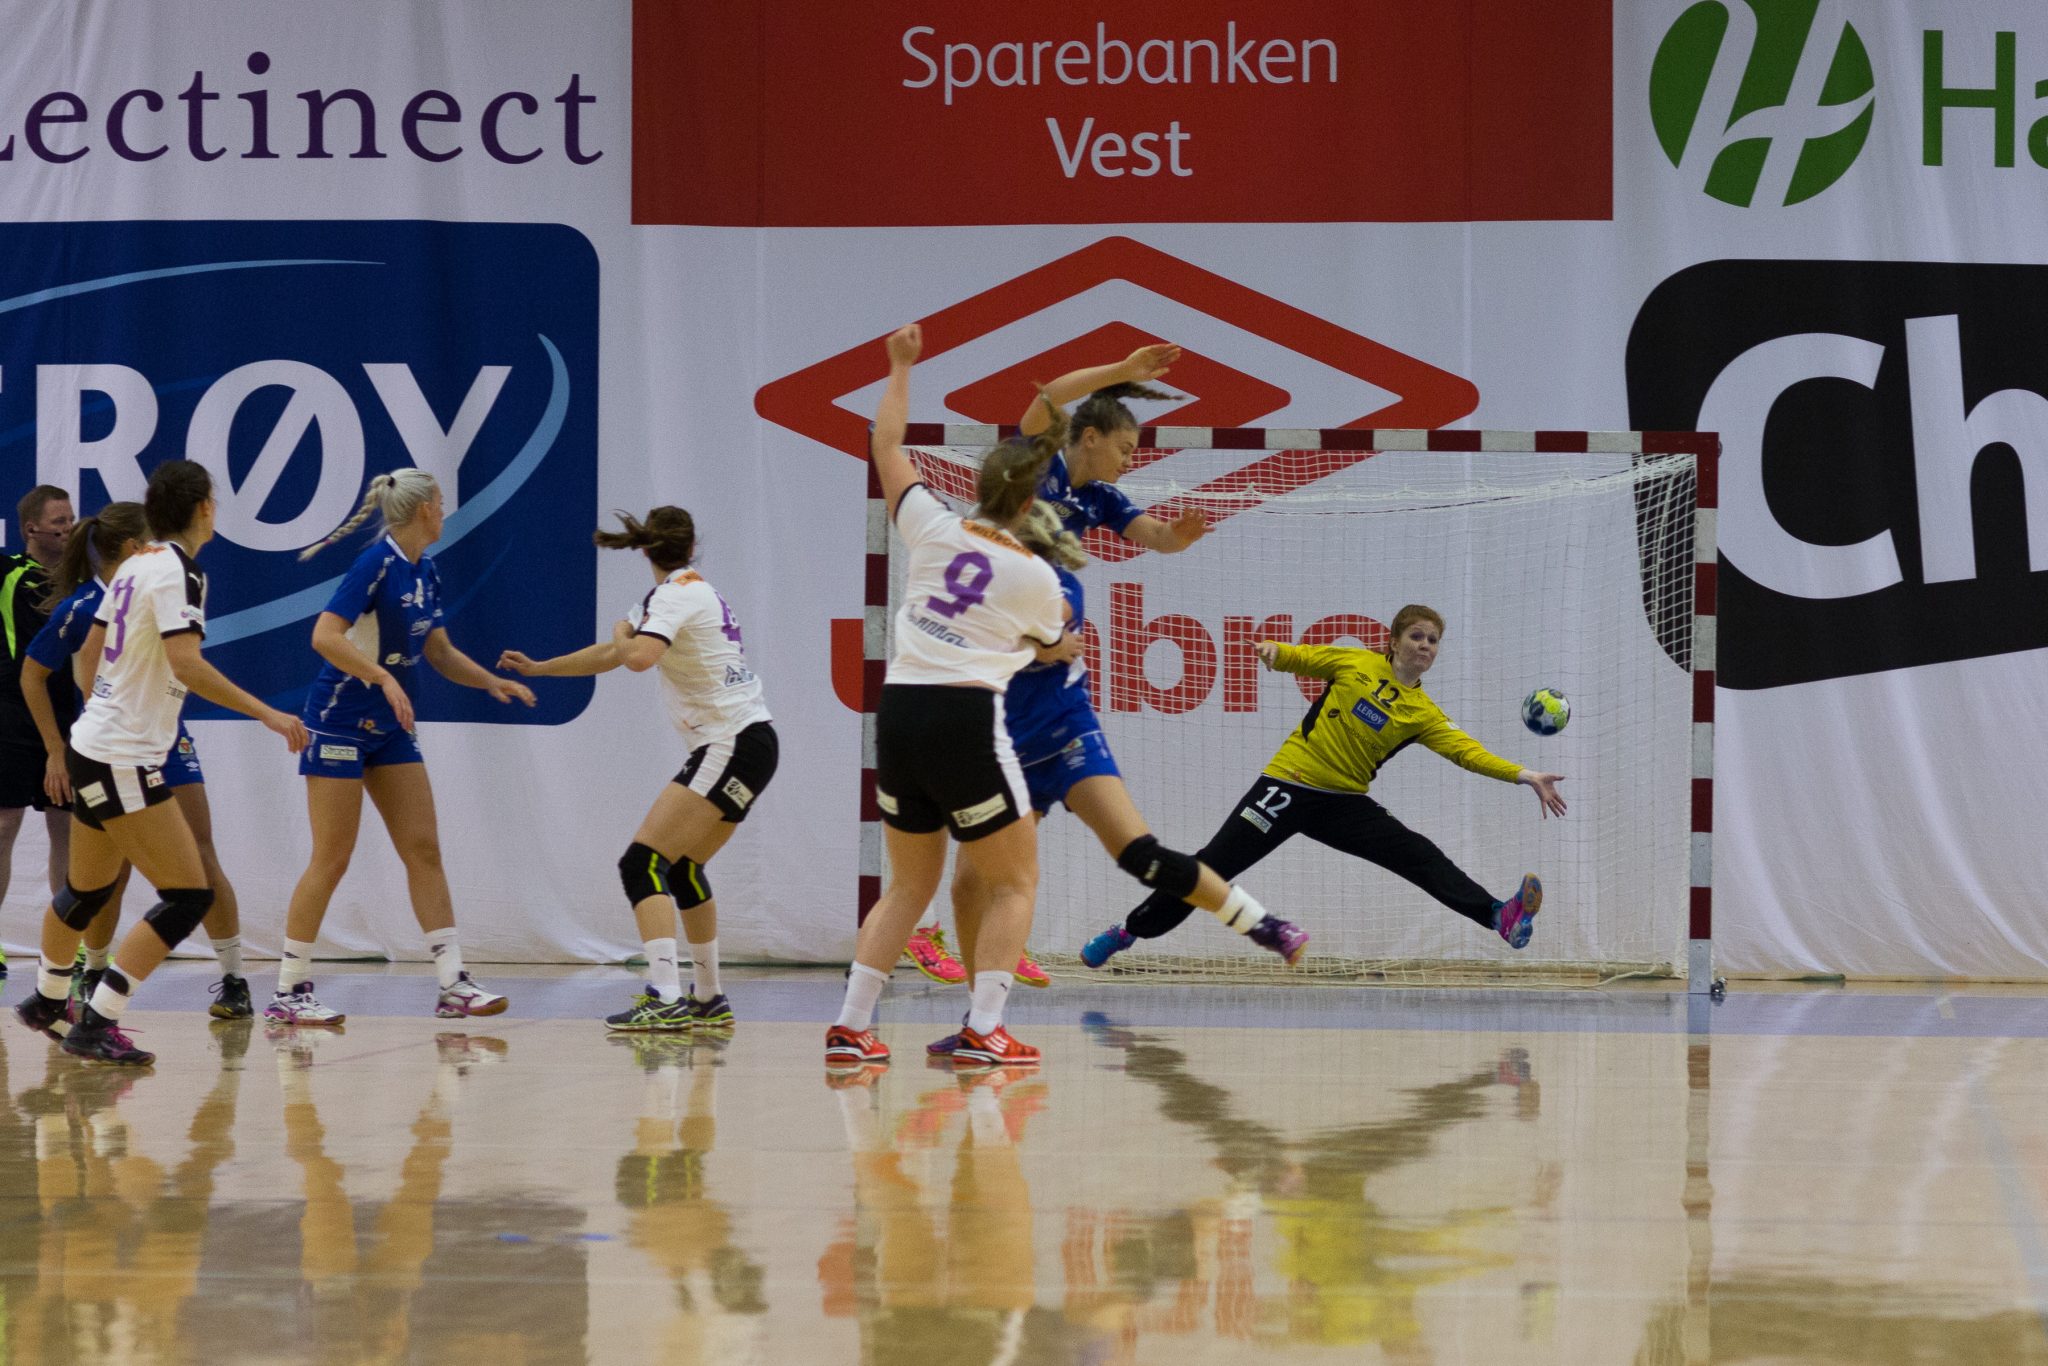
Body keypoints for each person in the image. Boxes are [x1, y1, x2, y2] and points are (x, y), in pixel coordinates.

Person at [925, 504, 1303, 1057]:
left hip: (1067, 740)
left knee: (1139, 854)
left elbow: (1036, 627)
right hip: (1008, 750)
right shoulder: (987, 585)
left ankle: (1262, 923)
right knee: (967, 885)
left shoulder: (1054, 584)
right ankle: (980, 1021)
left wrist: (1030, 642)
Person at [900, 342, 1209, 979]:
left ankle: (994, 936)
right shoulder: (1038, 463)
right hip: (985, 634)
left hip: (1027, 657)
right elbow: (1048, 400)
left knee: (1000, 811)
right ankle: (922, 926)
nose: (1131, 460)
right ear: (1089, 436)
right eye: (1126, 447)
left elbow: (1155, 537)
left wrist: (1178, 537)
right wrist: (1122, 371)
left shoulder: (1102, 499)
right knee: (959, 792)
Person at [11, 460, 308, 1065]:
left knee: (86, 891)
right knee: (187, 895)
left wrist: (106, 703)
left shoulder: (137, 564)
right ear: (204, 508)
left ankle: (46, 999)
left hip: (92, 744)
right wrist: (268, 714)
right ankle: (97, 1022)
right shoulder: (177, 569)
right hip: (122, 754)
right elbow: (186, 663)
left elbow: (92, 650)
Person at [826, 323, 1065, 1071]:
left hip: (899, 711)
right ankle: (985, 1028)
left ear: (981, 488)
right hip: (965, 717)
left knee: (908, 883)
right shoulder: (1036, 575)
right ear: (1030, 502)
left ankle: (851, 1026)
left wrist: (900, 367)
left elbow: (885, 444)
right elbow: (1052, 644)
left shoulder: (931, 524)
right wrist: (1049, 641)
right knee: (1014, 881)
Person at [1080, 605, 1566, 967]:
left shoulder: (1423, 713)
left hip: (1343, 802)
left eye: (1433, 640)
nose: (1425, 645)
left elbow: (1467, 753)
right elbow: (1301, 656)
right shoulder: (1355, 663)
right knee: (1211, 868)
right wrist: (1275, 653)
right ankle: (1128, 931)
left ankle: (1499, 917)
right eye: (1416, 636)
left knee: (1417, 854)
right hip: (1288, 784)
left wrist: (1525, 774)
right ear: (1393, 641)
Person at [267, 469, 534, 1026]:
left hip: (390, 727)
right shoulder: (375, 564)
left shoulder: (426, 570)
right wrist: (383, 677)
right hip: (339, 722)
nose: (445, 510)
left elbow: (439, 652)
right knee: (332, 857)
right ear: (424, 510)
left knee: (423, 849)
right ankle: (289, 991)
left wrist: (490, 681)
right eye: (441, 501)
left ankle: (453, 983)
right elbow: (324, 636)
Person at [498, 505, 777, 1033]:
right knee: (683, 867)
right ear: (691, 548)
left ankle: (665, 996)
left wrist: (623, 634)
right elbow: (615, 652)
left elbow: (637, 656)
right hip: (754, 742)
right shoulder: (690, 591)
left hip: (730, 741)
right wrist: (542, 668)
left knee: (641, 863)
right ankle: (708, 998)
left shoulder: (672, 596)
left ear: (646, 549)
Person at [19, 502, 255, 1019]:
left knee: (200, 857)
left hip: (163, 741)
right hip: (119, 746)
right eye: (149, 540)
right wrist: (59, 747)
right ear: (132, 546)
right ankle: (92, 982)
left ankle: (233, 978)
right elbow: (35, 673)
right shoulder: (87, 603)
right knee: (120, 879)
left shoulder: (157, 582)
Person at [0, 483, 75, 976]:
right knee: (4, 825)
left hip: (68, 720)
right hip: (11, 718)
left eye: (71, 520)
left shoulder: (82, 581)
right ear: (31, 528)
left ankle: (68, 946)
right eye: (59, 522)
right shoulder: (8, 573)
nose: (69, 529)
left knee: (65, 827)